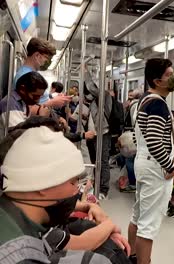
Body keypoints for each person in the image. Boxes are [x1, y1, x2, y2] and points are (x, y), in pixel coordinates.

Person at [0, 126, 116, 263]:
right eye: (73, 182)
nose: (76, 191)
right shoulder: (20, 256)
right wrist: (110, 224)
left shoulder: (14, 217)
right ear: (41, 183)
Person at [128, 58, 174, 264]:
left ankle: (131, 256)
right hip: (155, 166)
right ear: (157, 81)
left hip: (144, 162)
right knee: (148, 225)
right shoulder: (157, 105)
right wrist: (170, 166)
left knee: (138, 216)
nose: (173, 78)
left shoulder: (145, 99)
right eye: (169, 75)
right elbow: (154, 140)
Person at [14, 37, 70, 108]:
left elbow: (41, 99)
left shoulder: (31, 73)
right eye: (46, 58)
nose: (46, 61)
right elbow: (25, 109)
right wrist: (52, 103)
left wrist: (54, 97)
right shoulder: (24, 76)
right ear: (37, 55)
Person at [84, 66, 113, 200]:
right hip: (93, 133)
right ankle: (95, 184)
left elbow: (91, 87)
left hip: (103, 133)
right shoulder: (93, 99)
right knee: (95, 160)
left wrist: (85, 71)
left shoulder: (103, 95)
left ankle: (104, 190)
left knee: (103, 162)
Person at [0, 71, 48, 137]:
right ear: (22, 89)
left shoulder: (22, 102)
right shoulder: (10, 104)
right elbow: (19, 136)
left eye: (40, 96)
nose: (37, 101)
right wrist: (41, 118)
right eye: (35, 96)